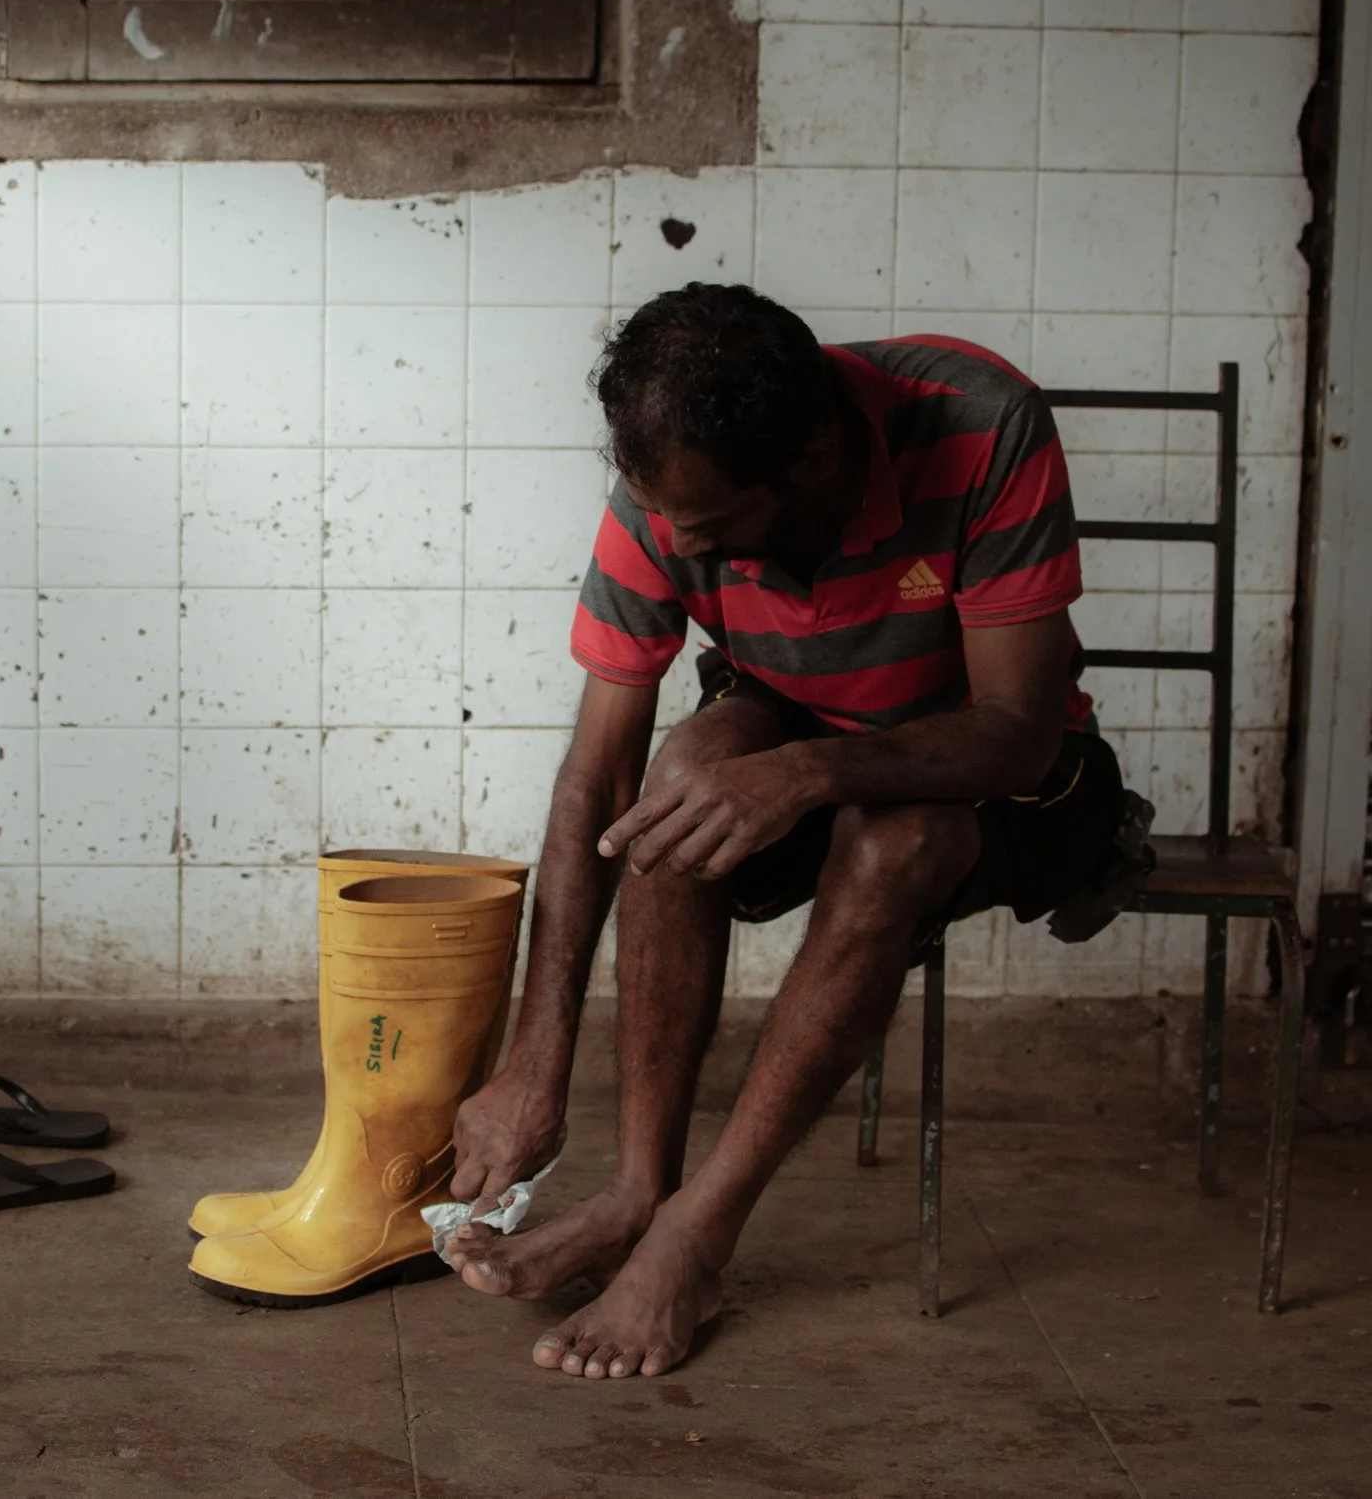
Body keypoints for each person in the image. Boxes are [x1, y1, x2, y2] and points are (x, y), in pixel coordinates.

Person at [443, 284, 1130, 1379]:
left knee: (889, 840)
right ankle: (633, 1193)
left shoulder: (981, 421)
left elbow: (1016, 733)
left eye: (705, 527)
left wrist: (807, 771)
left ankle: (694, 1234)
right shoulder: (664, 483)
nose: (673, 540)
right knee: (676, 783)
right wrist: (536, 1059)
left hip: (1009, 776)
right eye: (656, 509)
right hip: (800, 716)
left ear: (811, 460)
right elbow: (596, 776)